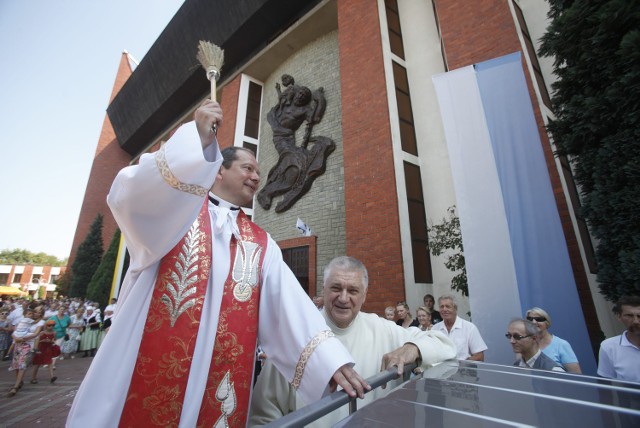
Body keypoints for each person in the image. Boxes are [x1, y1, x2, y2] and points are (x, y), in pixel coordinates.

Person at [67, 100, 368, 428]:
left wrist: (330, 363)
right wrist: (196, 140)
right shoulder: (176, 214)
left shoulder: (261, 243)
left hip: (221, 387)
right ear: (219, 169)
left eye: (258, 171)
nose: (256, 177)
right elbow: (131, 194)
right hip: (148, 372)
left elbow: (289, 307)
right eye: (248, 168)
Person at [249, 256, 456, 427]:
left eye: (353, 291)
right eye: (336, 288)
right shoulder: (296, 337)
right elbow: (263, 416)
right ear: (324, 289)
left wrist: (413, 347)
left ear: (364, 295)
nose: (343, 297)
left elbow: (444, 344)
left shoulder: (381, 329)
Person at [525, 307, 581, 373]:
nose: (534, 322)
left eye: (539, 319)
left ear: (547, 323)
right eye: (530, 319)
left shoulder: (561, 344)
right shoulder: (525, 344)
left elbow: (576, 375)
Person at [597, 295, 640, 382]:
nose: (635, 321)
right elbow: (605, 384)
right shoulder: (609, 347)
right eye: (629, 316)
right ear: (619, 316)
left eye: (639, 316)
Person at [432, 295, 488, 361]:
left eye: (448, 306)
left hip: (463, 370)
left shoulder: (469, 328)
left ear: (455, 309)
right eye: (442, 307)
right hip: (440, 370)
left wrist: (463, 365)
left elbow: (479, 356)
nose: (444, 309)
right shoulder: (434, 329)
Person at [8, 305, 45, 397]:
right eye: (35, 312)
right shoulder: (25, 320)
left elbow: (35, 334)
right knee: (16, 364)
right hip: (18, 344)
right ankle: (19, 381)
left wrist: (22, 338)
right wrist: (15, 337)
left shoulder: (41, 322)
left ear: (41, 314)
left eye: (38, 312)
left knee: (22, 364)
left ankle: (15, 386)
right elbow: (15, 331)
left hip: (28, 345)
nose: (36, 314)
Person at [31, 319, 60, 384]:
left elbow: (54, 340)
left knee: (50, 362)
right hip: (41, 348)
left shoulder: (54, 332)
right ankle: (33, 378)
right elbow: (37, 341)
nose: (51, 327)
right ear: (46, 326)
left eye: (53, 325)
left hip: (48, 348)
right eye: (49, 325)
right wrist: (36, 348)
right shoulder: (42, 333)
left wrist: (50, 341)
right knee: (37, 364)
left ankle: (52, 376)